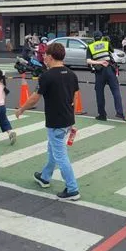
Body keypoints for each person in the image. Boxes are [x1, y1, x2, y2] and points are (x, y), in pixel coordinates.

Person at [16, 42, 81, 201]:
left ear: (50, 57)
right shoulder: (71, 74)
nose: (43, 57)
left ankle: (72, 189)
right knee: (53, 150)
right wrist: (72, 117)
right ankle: (45, 177)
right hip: (67, 120)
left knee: (60, 156)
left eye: (45, 55)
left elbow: (34, 99)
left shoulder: (47, 76)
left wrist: (21, 109)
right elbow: (75, 97)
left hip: (55, 122)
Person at [86, 31, 124, 121]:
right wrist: (108, 41)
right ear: (101, 37)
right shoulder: (106, 43)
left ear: (94, 38)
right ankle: (120, 112)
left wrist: (99, 62)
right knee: (115, 90)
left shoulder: (90, 47)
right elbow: (112, 51)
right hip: (110, 69)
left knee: (99, 93)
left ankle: (102, 115)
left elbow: (88, 61)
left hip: (99, 72)